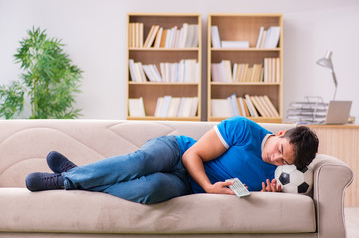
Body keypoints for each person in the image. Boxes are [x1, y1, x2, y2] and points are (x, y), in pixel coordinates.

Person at [25, 116, 319, 204]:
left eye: (283, 162)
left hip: (184, 185)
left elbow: (240, 191)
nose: (275, 158)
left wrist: (264, 195)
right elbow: (194, 155)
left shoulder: (278, 175)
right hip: (178, 152)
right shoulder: (244, 129)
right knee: (139, 163)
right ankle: (63, 180)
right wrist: (209, 186)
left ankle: (79, 175)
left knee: (148, 191)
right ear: (281, 133)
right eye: (280, 149)